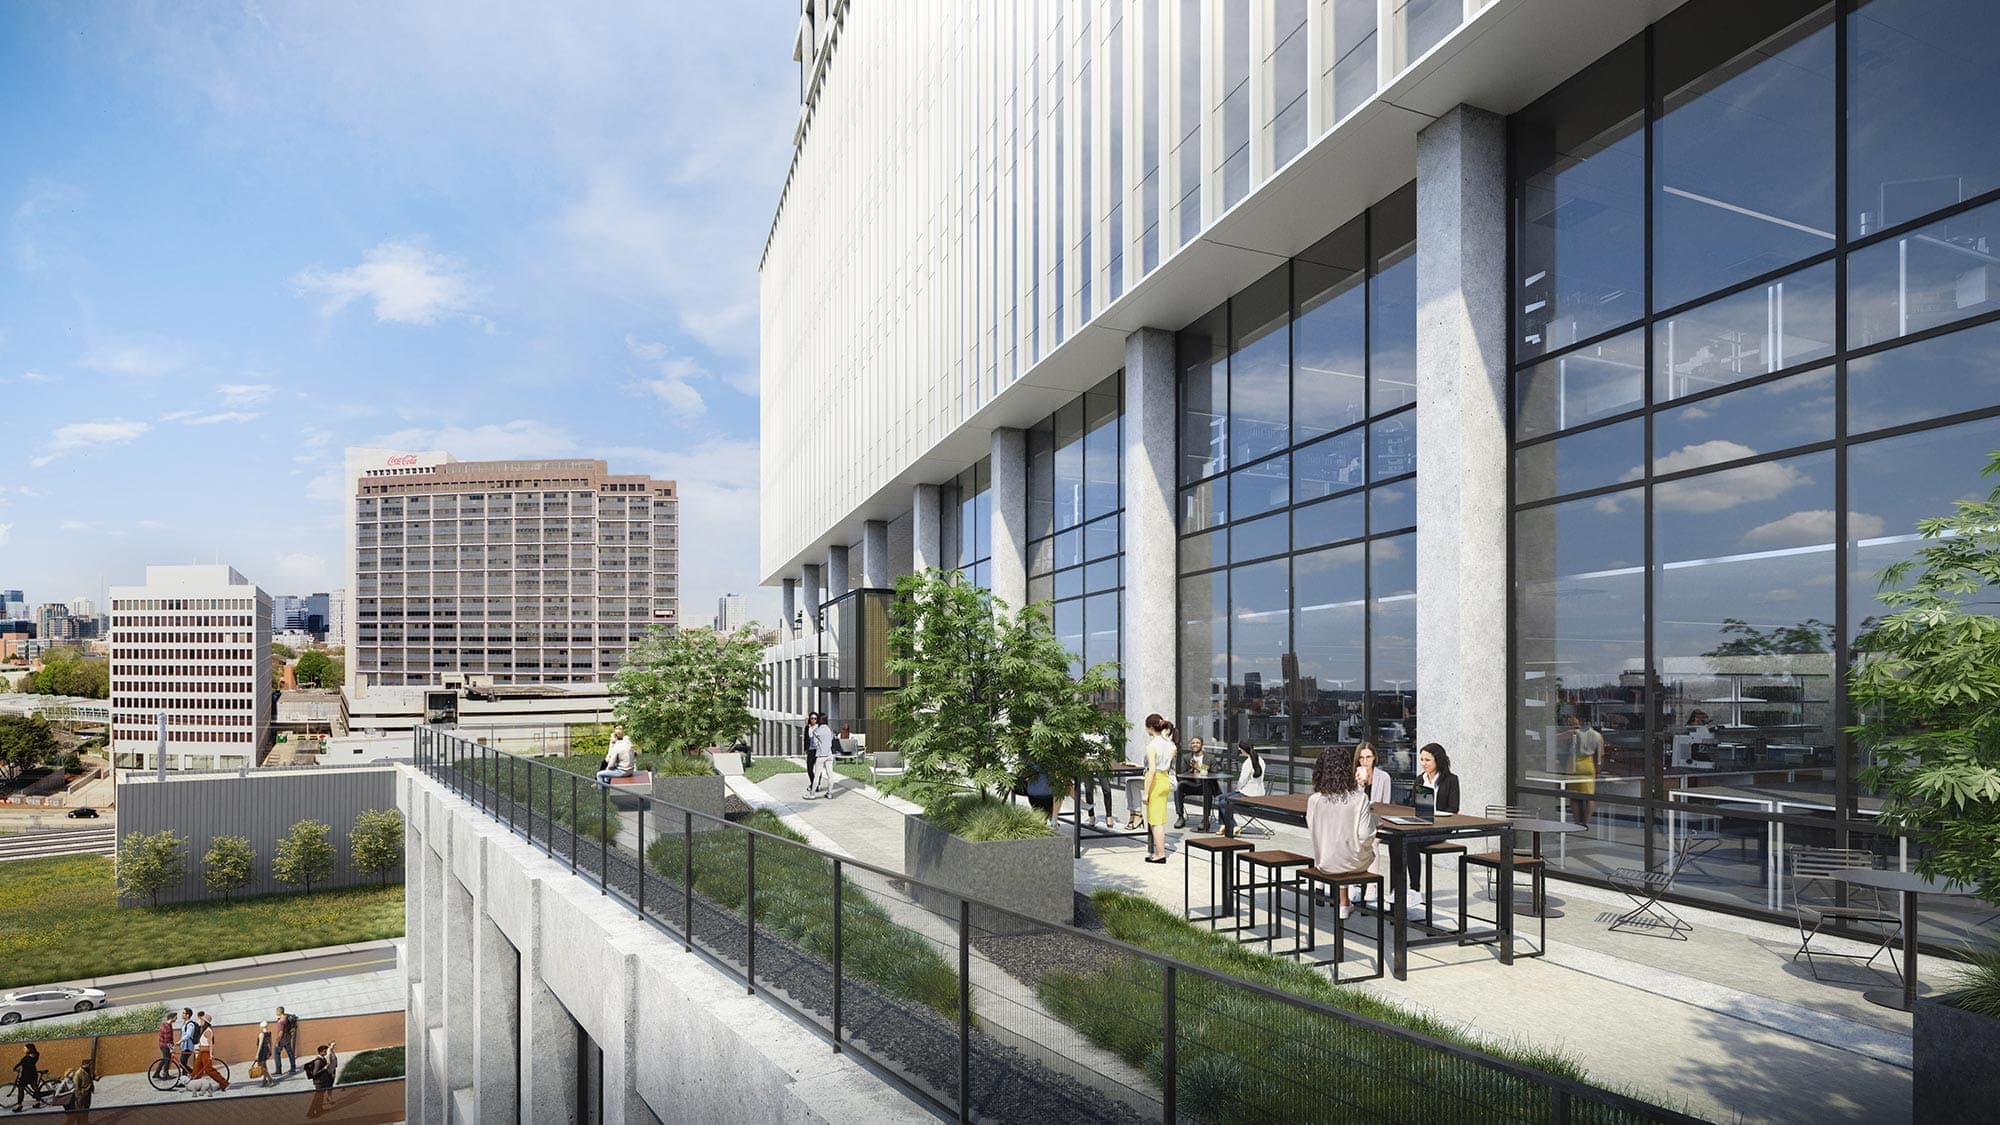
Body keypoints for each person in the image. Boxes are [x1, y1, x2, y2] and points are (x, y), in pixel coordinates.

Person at [1306, 745, 1380, 919]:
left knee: (1338, 846)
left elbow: (1313, 828)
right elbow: (1365, 835)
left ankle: (1344, 902)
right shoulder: (1359, 799)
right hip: (1353, 863)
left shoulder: (1314, 800)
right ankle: (1365, 894)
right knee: (1358, 848)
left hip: (1324, 863)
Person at [1407, 743, 1461, 917]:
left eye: (1427, 760)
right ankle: (1401, 891)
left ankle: (1414, 889)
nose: (1424, 763)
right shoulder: (1419, 779)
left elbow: (1454, 808)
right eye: (1422, 759)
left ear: (1438, 760)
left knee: (1411, 844)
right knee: (1400, 842)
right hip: (1422, 824)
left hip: (1442, 826)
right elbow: (1411, 805)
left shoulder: (1451, 780)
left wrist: (1435, 813)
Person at [1142, 714, 1177, 863]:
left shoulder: (1152, 746)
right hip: (1165, 779)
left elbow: (1152, 771)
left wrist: (1145, 793)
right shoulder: (1169, 743)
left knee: (1156, 822)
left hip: (1155, 781)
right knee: (1159, 818)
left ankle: (1160, 854)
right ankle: (1159, 852)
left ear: (1150, 727)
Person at [1217, 741, 1266, 838]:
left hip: (1248, 795)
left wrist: (1237, 789)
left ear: (1242, 749)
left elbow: (1242, 780)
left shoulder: (1247, 763)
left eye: (1240, 748)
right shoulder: (1261, 760)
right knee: (1222, 797)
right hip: (1258, 793)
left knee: (1223, 803)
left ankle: (1233, 826)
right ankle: (1224, 825)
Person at [1567, 714, 1601, 826]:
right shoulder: (1598, 736)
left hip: (1575, 765)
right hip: (1589, 765)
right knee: (1589, 797)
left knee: (1574, 796)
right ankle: (1586, 822)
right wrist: (1598, 770)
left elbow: (1557, 738)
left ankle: (1577, 822)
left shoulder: (1575, 733)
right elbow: (1600, 756)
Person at [1173, 737, 1212, 830]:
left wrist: (1199, 767)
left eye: (1197, 743)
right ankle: (1180, 816)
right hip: (1192, 785)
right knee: (1179, 786)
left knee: (1208, 788)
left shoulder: (1210, 757)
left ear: (1202, 745)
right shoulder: (1187, 757)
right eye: (1193, 743)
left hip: (1205, 785)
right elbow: (1183, 773)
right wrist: (1192, 768)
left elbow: (1214, 771)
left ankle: (1205, 819)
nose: (1195, 744)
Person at [187, 1014, 228, 1094]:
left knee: (209, 1070)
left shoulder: (208, 1031)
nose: (200, 1021)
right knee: (197, 1068)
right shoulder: (203, 1030)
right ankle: (195, 1085)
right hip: (201, 1052)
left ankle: (224, 1083)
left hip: (206, 1052)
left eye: (202, 1020)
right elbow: (203, 1042)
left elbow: (210, 1043)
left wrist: (211, 1054)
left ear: (205, 1022)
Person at [803, 713, 836, 799]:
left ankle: (812, 794)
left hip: (821, 755)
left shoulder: (816, 731)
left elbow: (815, 743)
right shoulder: (829, 730)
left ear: (819, 720)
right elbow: (832, 739)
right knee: (830, 775)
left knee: (816, 775)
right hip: (829, 754)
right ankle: (829, 793)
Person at [303, 1042, 339, 1118]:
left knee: (320, 1097)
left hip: (322, 1081)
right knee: (317, 1098)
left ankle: (319, 1109)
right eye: (324, 1051)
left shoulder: (322, 1059)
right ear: (320, 1052)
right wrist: (324, 1068)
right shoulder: (318, 1061)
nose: (326, 1052)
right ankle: (310, 1113)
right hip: (319, 1082)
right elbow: (315, 1073)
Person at [9, 1043, 39, 1111]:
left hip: (27, 1074)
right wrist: (16, 1067)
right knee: (34, 1087)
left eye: (25, 1048)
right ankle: (37, 1101)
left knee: (21, 1088)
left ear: (29, 1049)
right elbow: (22, 1063)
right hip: (32, 1073)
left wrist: (16, 1067)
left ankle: (19, 1105)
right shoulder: (33, 1055)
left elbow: (22, 1063)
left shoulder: (29, 1056)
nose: (24, 1049)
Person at [274, 1006, 298, 1075]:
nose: (275, 1012)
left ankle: (278, 1071)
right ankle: (293, 1068)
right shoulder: (286, 1017)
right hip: (288, 1038)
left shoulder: (281, 1021)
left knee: (276, 1053)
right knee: (290, 1053)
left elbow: (281, 1032)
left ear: (279, 1011)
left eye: (276, 1011)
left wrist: (277, 1041)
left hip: (282, 1039)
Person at [254, 1020, 275, 1087]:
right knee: (264, 1066)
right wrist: (270, 1051)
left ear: (261, 1027)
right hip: (266, 1050)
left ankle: (270, 1079)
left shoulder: (261, 1034)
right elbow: (270, 1042)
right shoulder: (269, 1033)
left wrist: (257, 1054)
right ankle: (264, 1080)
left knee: (261, 1066)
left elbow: (260, 1045)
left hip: (262, 1051)